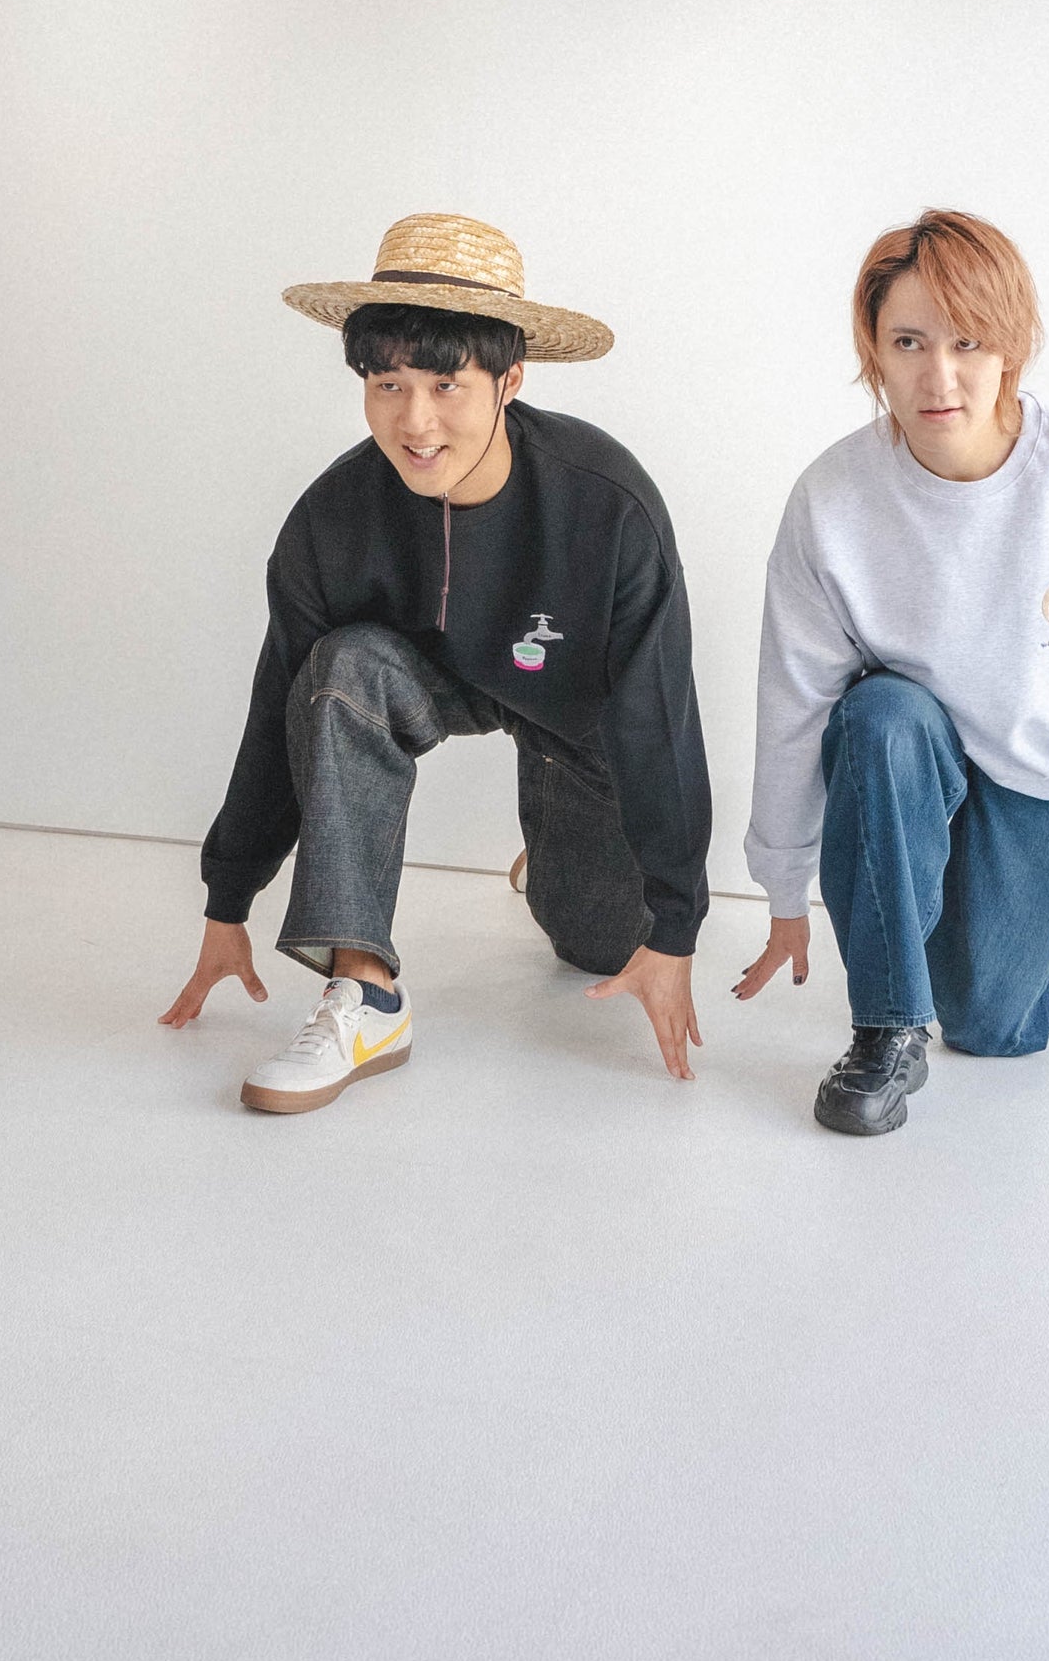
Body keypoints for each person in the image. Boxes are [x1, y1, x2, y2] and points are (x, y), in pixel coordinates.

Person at [160, 212, 711, 1111]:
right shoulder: (330, 522)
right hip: (419, 679)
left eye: (446, 384)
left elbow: (660, 720)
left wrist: (678, 924)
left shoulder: (608, 506)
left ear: (509, 380)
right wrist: (228, 898)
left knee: (597, 945)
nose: (414, 421)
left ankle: (550, 852)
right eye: (388, 383)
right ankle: (367, 992)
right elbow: (278, 709)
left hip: (576, 723)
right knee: (341, 670)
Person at [734, 209, 1049, 1136]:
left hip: (1039, 780)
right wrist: (784, 885)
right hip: (906, 767)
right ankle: (887, 1025)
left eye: (967, 341)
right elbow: (792, 703)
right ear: (873, 351)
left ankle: (989, 941)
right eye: (908, 342)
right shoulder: (832, 500)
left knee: (996, 1028)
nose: (939, 376)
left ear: (1010, 347)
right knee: (879, 714)